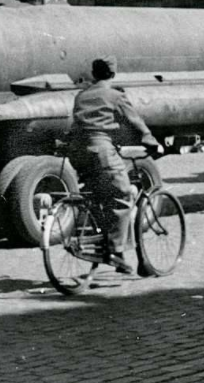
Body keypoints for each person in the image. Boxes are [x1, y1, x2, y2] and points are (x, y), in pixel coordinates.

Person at [67, 56, 160, 276]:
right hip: (101, 150)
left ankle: (102, 244)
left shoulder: (81, 96)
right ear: (113, 74)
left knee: (99, 196)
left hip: (78, 152)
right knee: (122, 195)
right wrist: (150, 141)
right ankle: (116, 251)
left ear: (94, 73)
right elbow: (135, 121)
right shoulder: (115, 96)